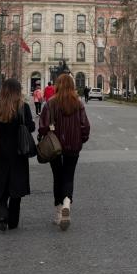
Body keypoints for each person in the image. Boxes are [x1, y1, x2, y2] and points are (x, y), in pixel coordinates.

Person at [39, 73, 90, 231]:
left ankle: (59, 212)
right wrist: (81, 139)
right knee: (69, 176)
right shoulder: (78, 103)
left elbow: (42, 126)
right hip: (73, 146)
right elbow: (85, 126)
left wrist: (44, 135)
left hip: (55, 147)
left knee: (57, 177)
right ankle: (67, 201)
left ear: (58, 85)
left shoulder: (50, 103)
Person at [0, 78, 35, 231]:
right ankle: (13, 221)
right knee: (16, 186)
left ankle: (1, 215)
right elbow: (31, 127)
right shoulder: (23, 107)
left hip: (0, 151)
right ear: (18, 91)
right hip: (19, 151)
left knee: (1, 185)